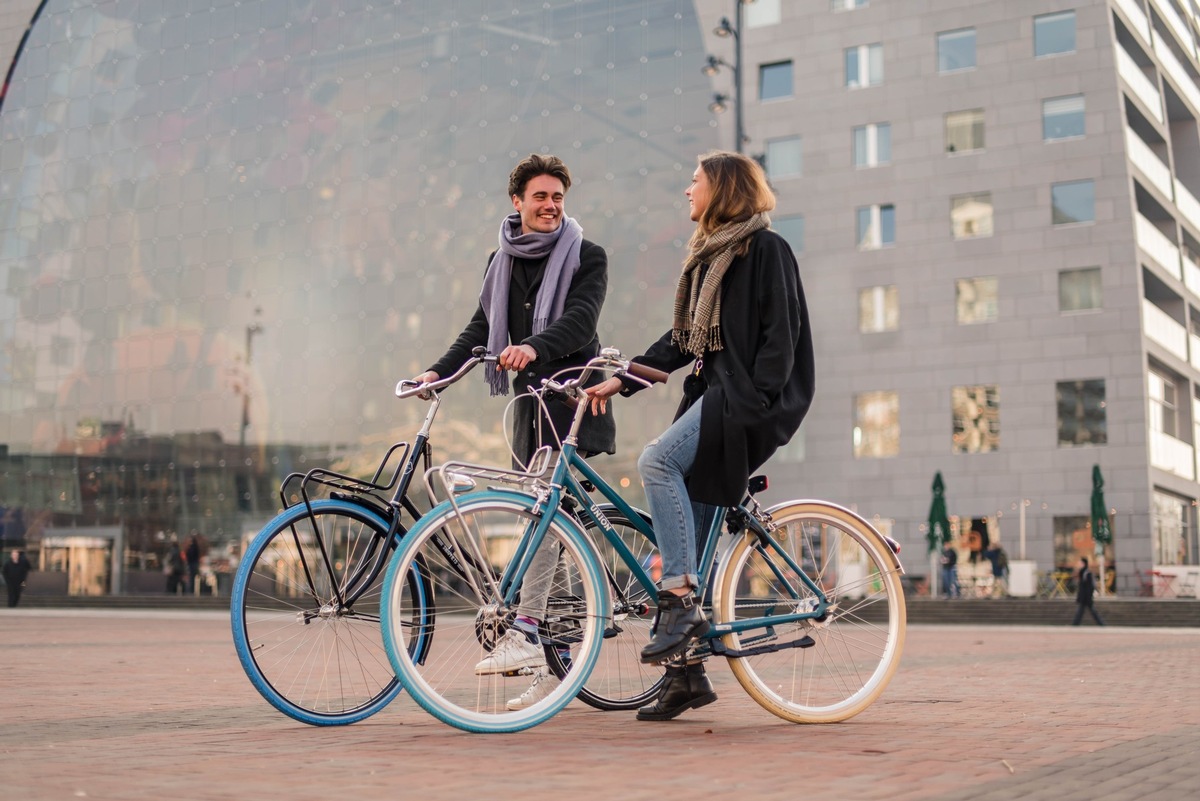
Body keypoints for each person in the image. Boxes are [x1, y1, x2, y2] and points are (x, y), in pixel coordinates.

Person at [587, 150, 814, 721]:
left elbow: (781, 339)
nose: (688, 191)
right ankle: (686, 677)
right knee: (694, 524)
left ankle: (681, 598)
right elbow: (684, 339)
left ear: (724, 188)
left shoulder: (765, 249)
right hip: (719, 399)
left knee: (657, 462)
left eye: (695, 182)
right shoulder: (711, 257)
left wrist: (752, 404)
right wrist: (623, 380)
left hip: (743, 403)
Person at [413, 153, 615, 710]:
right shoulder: (500, 261)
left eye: (558, 198)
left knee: (542, 515)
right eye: (540, 198)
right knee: (552, 522)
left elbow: (582, 320)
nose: (551, 207)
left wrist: (533, 346)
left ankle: (527, 632)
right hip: (531, 410)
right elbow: (481, 325)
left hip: (574, 400)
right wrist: (438, 370)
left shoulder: (587, 256)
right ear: (517, 202)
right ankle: (558, 663)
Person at [1072, 556, 1105, 626]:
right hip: (1084, 597)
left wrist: (1088, 597)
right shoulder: (1082, 573)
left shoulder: (1086, 573)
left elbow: (1089, 587)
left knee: (1088, 611)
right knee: (1084, 611)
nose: (1079, 564)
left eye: (1080, 563)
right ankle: (1075, 624)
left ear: (1084, 564)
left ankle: (1075, 624)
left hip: (1086, 597)